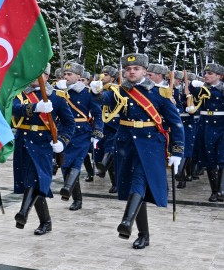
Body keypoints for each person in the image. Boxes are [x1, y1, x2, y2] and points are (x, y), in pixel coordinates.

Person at [90, 53, 184, 247]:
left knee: (138, 181)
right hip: (126, 144)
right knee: (134, 187)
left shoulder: (160, 93)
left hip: (150, 144)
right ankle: (143, 234)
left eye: (136, 69)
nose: (131, 72)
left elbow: (176, 123)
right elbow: (104, 99)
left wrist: (177, 151)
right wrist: (96, 92)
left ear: (144, 71)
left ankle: (126, 221)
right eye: (128, 69)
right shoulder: (120, 91)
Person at [11, 68, 75, 236]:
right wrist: (35, 107)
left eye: (39, 72)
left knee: (35, 178)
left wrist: (62, 141)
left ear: (46, 76)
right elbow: (13, 109)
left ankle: (23, 212)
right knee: (33, 181)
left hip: (43, 144)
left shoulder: (57, 97)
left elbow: (69, 124)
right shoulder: (20, 93)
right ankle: (45, 221)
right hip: (24, 141)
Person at [55, 62, 103, 211]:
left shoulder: (87, 92)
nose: (66, 77)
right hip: (64, 131)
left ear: (78, 76)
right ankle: (73, 193)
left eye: (70, 74)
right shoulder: (59, 90)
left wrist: (97, 131)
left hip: (82, 132)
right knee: (64, 164)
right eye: (65, 74)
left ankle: (74, 195)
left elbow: (97, 114)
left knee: (76, 162)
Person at [189, 62, 224, 201]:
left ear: (219, 76)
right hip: (206, 126)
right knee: (210, 159)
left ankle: (221, 190)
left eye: (210, 73)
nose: (206, 76)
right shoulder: (201, 89)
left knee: (222, 158)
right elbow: (189, 92)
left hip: (221, 125)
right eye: (205, 73)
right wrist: (192, 84)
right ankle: (214, 191)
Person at [95, 65, 121, 193]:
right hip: (102, 125)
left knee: (110, 151)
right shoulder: (100, 88)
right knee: (100, 150)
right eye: (102, 74)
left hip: (114, 125)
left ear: (113, 78)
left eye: (106, 75)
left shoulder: (115, 90)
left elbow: (104, 98)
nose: (102, 76)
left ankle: (114, 180)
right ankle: (102, 167)